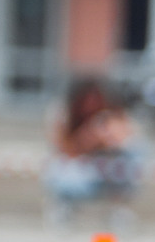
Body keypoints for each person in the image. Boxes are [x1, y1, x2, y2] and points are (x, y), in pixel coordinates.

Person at [44, 75, 145, 228]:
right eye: (87, 101)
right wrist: (88, 138)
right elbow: (63, 149)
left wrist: (109, 139)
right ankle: (64, 209)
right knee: (57, 168)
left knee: (131, 157)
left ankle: (118, 212)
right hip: (78, 172)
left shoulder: (111, 116)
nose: (91, 105)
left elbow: (129, 141)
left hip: (106, 173)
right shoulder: (64, 116)